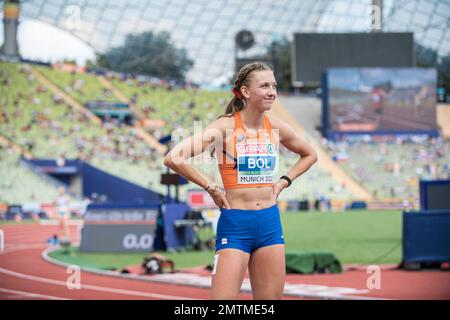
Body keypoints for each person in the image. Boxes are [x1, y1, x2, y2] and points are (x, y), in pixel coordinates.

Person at [164, 62, 317, 299]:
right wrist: (211, 188)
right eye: (264, 85)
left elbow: (310, 154)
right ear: (245, 92)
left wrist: (284, 181)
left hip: (269, 223)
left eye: (274, 86)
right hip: (236, 224)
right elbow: (174, 157)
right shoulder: (225, 127)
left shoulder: (275, 126)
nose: (272, 92)